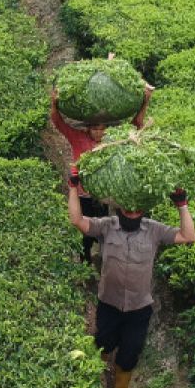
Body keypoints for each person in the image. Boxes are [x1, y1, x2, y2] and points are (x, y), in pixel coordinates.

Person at [67, 171, 195, 388]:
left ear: (144, 211)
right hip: (109, 303)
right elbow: (77, 221)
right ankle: (95, 377)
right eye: (127, 210)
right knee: (103, 344)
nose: (132, 214)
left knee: (131, 350)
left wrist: (182, 205)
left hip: (139, 308)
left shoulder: (154, 230)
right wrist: (73, 187)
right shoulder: (107, 226)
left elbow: (188, 236)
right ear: (119, 208)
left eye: (137, 211)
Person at [50, 80, 153, 264]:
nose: (98, 133)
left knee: (104, 227)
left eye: (101, 129)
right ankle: (85, 258)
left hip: (102, 196)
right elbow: (58, 123)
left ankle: (106, 259)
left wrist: (145, 101)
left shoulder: (112, 140)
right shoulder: (78, 138)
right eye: (94, 129)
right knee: (84, 232)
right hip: (82, 195)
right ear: (87, 128)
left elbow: (136, 125)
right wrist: (54, 102)